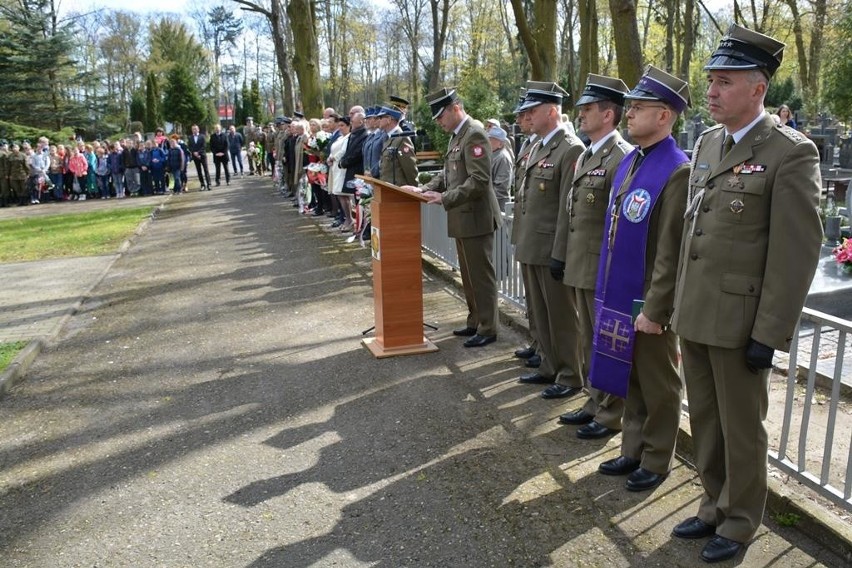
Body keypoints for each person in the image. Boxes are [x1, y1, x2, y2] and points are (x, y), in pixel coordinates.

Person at [670, 24, 823, 563]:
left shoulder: (789, 152)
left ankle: (738, 522)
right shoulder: (709, 142)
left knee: (741, 428)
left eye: (724, 82)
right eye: (710, 81)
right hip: (696, 312)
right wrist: (673, 303)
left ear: (758, 88)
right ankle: (713, 503)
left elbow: (795, 251)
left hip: (740, 320)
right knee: (706, 420)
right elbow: (694, 231)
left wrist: (769, 333)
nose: (710, 92)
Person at [584, 66, 689, 497]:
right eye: (629, 107)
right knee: (630, 377)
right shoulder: (631, 160)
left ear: (664, 115)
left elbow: (670, 249)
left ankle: (657, 457)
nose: (629, 114)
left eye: (640, 107)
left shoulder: (676, 169)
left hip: (647, 300)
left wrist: (656, 308)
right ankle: (632, 448)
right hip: (619, 289)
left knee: (658, 382)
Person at [552, 74, 632, 439]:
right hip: (581, 263)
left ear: (609, 114)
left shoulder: (621, 157)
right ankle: (593, 400)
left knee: (606, 341)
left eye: (588, 109)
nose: (580, 115)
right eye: (581, 109)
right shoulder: (588, 152)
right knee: (588, 338)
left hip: (603, 267)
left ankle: (611, 412)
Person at [402, 87, 501, 347]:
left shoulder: (475, 134)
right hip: (463, 216)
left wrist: (444, 198)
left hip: (476, 217)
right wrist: (424, 189)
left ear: (455, 108)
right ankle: (475, 321)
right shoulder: (457, 136)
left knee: (481, 276)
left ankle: (488, 327)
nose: (438, 122)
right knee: (468, 276)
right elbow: (448, 174)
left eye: (440, 116)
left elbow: (479, 181)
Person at [510, 81, 585, 397]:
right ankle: (548, 364)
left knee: (562, 317)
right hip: (531, 243)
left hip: (550, 247)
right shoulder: (538, 145)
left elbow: (567, 209)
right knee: (540, 312)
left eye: (532, 110)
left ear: (552, 111)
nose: (526, 115)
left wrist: (560, 253)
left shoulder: (570, 148)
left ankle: (570, 375)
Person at [338, 111, 367, 232]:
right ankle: (359, 226)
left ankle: (362, 227)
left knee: (361, 201)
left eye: (352, 120)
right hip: (352, 170)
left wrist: (344, 162)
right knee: (357, 200)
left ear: (360, 121)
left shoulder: (364, 134)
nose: (351, 122)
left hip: (358, 170)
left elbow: (357, 153)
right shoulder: (354, 134)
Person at [377, 106, 418, 187]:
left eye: (381, 117)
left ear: (389, 119)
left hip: (399, 191)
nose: (378, 120)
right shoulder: (388, 138)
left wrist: (414, 191)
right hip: (388, 190)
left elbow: (410, 170)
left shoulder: (402, 139)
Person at [486, 126, 513, 212]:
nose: (487, 142)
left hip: (498, 206)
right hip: (491, 204)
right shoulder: (493, 155)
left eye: (491, 140)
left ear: (500, 144)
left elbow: (501, 187)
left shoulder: (502, 158)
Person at [188, 125, 211, 191]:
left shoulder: (202, 136)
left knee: (206, 170)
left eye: (195, 129)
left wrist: (198, 152)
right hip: (195, 157)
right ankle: (202, 185)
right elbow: (190, 147)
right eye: (193, 129)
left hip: (202, 155)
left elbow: (204, 146)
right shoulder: (190, 138)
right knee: (199, 171)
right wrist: (194, 153)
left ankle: (209, 184)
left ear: (198, 130)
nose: (194, 130)